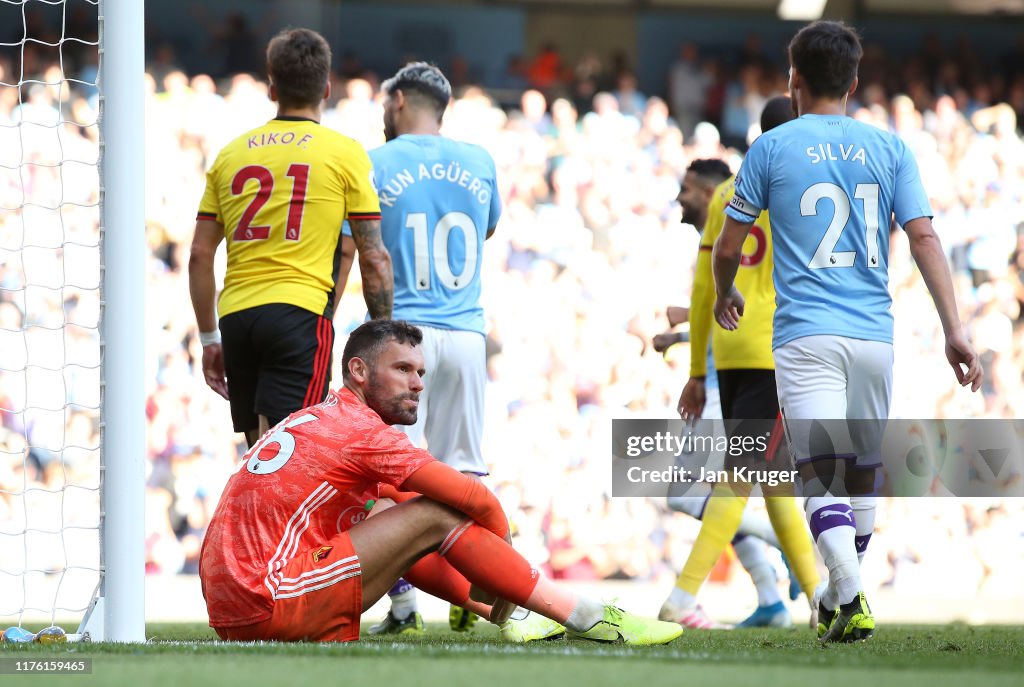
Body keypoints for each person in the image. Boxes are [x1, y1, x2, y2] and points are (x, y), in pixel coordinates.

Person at [713, 21, 983, 643]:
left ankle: (849, 593)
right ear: (855, 82)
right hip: (873, 335)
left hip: (806, 333)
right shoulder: (889, 148)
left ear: (794, 81)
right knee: (861, 471)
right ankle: (841, 597)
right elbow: (923, 237)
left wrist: (726, 288)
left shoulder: (772, 148)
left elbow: (730, 242)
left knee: (817, 472)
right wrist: (954, 328)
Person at [199, 319, 683, 646]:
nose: (418, 384)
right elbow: (474, 499)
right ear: (359, 371)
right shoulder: (361, 431)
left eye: (420, 372)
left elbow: (397, 506)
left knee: (392, 511)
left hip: (237, 602)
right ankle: (587, 616)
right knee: (437, 511)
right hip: (266, 598)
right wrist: (502, 558)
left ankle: (513, 613)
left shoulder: (322, 416)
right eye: (403, 370)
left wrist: (493, 578)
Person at [348, 62, 503, 636]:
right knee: (465, 470)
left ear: (399, 100)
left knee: (394, 476)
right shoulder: (479, 160)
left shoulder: (374, 162)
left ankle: (406, 606)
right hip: (464, 332)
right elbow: (484, 229)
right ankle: (478, 589)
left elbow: (363, 250)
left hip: (401, 336)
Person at [659, 96, 821, 632]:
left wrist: (699, 372)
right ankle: (682, 596)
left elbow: (706, 285)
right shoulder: (800, 191)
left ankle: (820, 597)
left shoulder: (731, 193)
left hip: (729, 353)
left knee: (770, 479)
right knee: (743, 475)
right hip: (777, 348)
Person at [189, 28, 393, 448]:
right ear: (327, 87)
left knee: (259, 456)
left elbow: (198, 254)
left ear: (271, 88)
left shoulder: (230, 155)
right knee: (295, 457)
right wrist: (384, 336)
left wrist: (210, 338)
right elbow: (372, 255)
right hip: (298, 314)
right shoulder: (345, 152)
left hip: (237, 317)